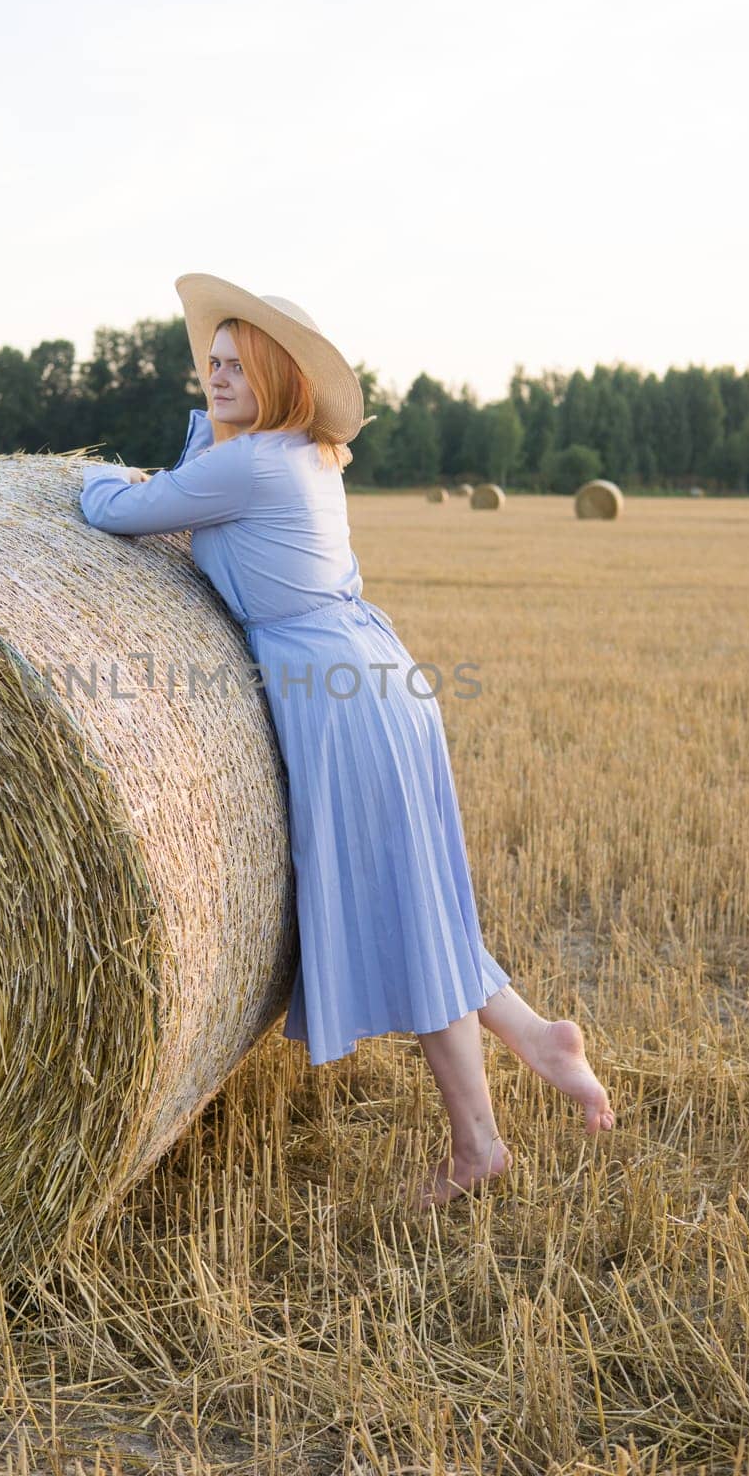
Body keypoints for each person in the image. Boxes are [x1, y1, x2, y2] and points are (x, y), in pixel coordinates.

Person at [79, 274, 615, 1207]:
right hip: (377, 675)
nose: (215, 377)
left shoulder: (252, 466)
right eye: (208, 364)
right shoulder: (307, 454)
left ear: (280, 374)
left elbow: (120, 513)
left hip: (338, 698)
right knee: (417, 901)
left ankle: (485, 1135)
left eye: (237, 366)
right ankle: (528, 1043)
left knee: (405, 911)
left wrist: (77, 475)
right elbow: (198, 477)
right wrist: (209, 432)